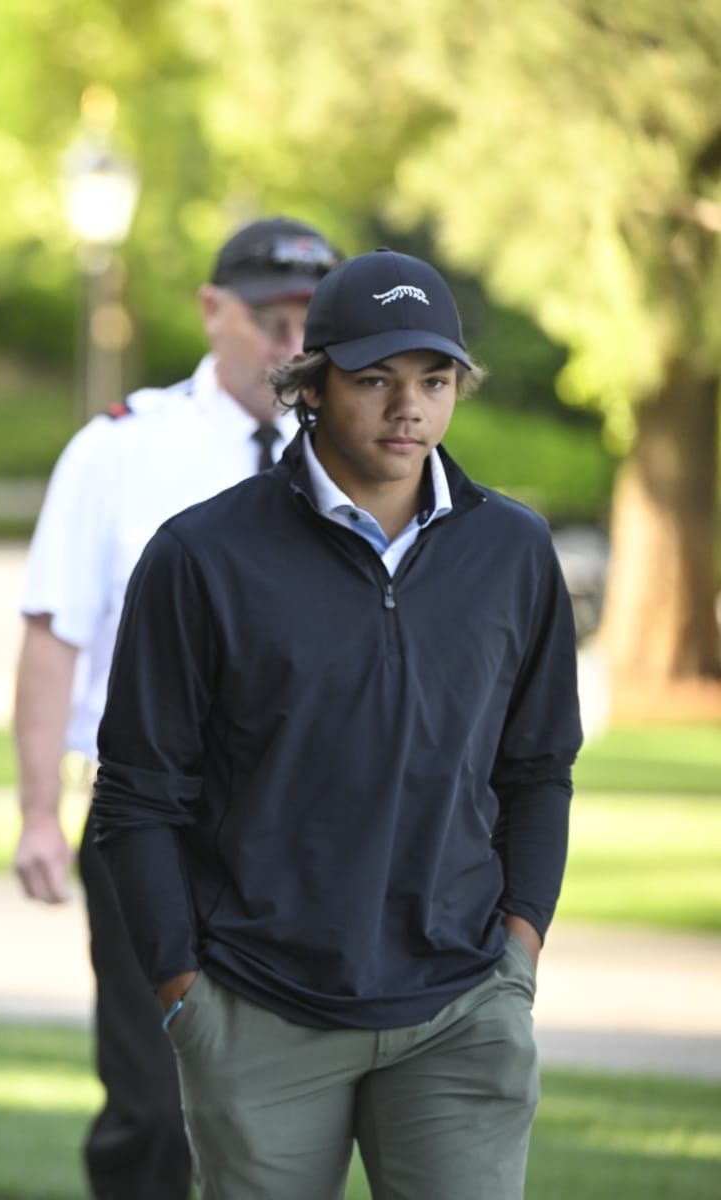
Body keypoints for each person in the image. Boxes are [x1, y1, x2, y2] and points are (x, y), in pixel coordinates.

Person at [91, 248, 581, 1199]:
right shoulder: (202, 556)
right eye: (376, 381)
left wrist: (517, 955)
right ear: (309, 386)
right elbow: (137, 795)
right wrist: (184, 994)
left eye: (435, 381)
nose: (411, 409)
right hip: (260, 1010)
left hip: (463, 1004)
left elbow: (539, 767)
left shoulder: (512, 551)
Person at [13, 216, 341, 1198]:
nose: (291, 348)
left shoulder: (354, 460)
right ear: (212, 311)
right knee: (157, 1102)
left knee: (281, 1106)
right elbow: (52, 635)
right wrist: (36, 811)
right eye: (270, 322)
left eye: (308, 327)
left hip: (302, 826)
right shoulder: (122, 451)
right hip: (151, 816)